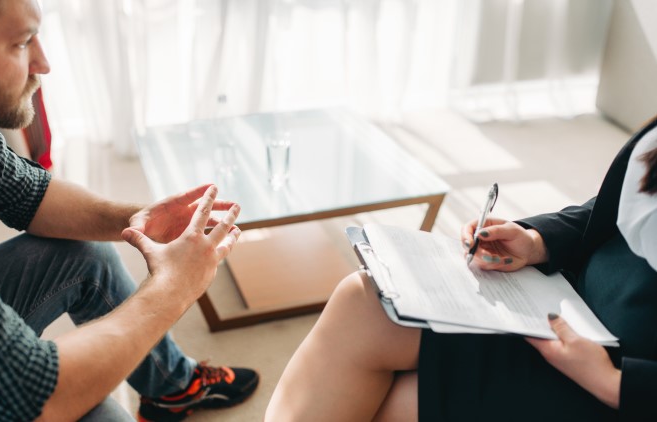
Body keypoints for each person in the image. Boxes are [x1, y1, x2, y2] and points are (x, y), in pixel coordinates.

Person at [0, 0, 259, 421]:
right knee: (102, 416)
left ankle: (172, 387)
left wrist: (140, 218)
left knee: (85, 255)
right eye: (21, 44)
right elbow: (37, 397)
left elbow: (31, 195)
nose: (43, 63)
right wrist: (174, 287)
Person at [266, 115, 657, 421]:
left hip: (621, 378)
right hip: (572, 305)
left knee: (395, 405)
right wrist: (538, 240)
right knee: (362, 298)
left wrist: (614, 384)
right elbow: (616, 204)